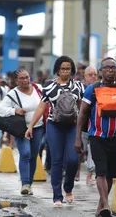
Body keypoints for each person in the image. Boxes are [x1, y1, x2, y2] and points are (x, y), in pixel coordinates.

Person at [75, 57, 116, 217]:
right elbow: (82, 114)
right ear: (101, 70)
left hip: (115, 137)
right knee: (101, 172)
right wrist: (78, 138)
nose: (111, 70)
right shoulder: (93, 89)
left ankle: (101, 207)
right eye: (107, 67)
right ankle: (106, 205)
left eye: (113, 68)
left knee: (111, 174)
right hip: (96, 137)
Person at [26, 56, 84, 206]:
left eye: (68, 69)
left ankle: (68, 188)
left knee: (72, 159)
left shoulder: (78, 86)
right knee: (57, 161)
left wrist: (85, 125)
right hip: (54, 126)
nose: (65, 71)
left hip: (72, 126)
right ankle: (57, 196)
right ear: (57, 70)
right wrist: (31, 125)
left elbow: (83, 107)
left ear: (72, 70)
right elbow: (41, 106)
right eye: (63, 68)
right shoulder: (49, 87)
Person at [0, 69, 44, 195]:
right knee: (25, 153)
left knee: (34, 155)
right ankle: (25, 184)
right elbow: (0, 110)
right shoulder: (12, 94)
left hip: (38, 127)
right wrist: (15, 111)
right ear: (16, 80)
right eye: (22, 78)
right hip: (22, 129)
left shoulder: (38, 88)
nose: (25, 80)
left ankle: (30, 184)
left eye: (27, 77)